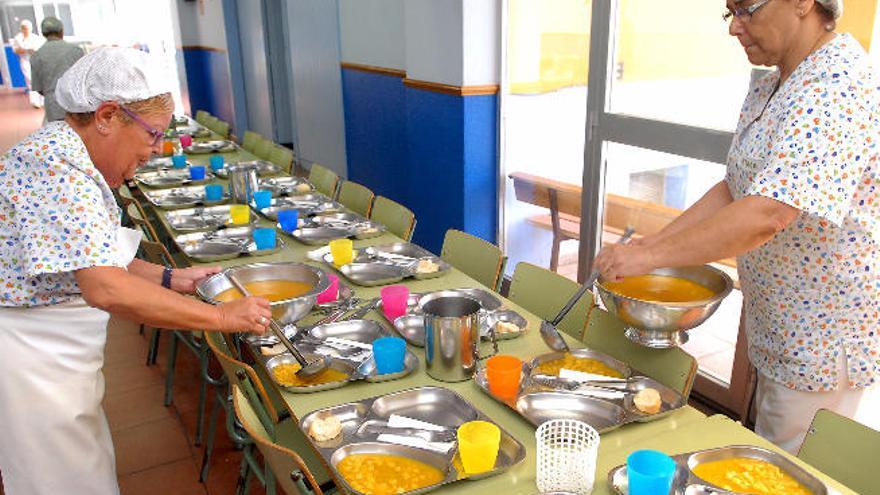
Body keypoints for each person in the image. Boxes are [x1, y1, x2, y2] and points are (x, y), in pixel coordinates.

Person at [596, 0, 879, 454]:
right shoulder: (772, 84)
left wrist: (648, 258)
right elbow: (735, 187)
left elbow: (768, 212)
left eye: (747, 9)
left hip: (820, 337)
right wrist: (655, 243)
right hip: (779, 323)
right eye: (731, 14)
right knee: (763, 448)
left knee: (779, 471)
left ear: (804, 3)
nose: (735, 28)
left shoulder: (837, 84)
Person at [0, 47, 272, 495]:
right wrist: (222, 318)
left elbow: (91, 256)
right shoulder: (58, 170)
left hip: (49, 354)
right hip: (30, 357)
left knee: (82, 469)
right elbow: (106, 287)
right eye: (152, 135)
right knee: (58, 481)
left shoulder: (66, 154)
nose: (155, 151)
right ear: (107, 115)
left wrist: (170, 278)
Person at [30, 17, 84, 123]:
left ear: (43, 34)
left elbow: (39, 88)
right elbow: (84, 80)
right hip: (75, 103)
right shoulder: (76, 51)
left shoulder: (36, 55)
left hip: (53, 105)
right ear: (61, 31)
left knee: (58, 135)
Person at [10, 19, 44, 107]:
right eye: (24, 28)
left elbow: (40, 50)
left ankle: (42, 100)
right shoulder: (18, 38)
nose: (26, 30)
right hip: (25, 60)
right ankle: (35, 102)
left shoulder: (35, 38)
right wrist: (26, 50)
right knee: (30, 80)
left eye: (28, 28)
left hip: (36, 60)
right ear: (21, 29)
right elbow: (16, 50)